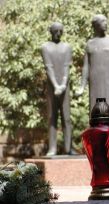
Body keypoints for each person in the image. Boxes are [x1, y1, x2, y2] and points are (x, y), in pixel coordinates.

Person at [76, 15, 109, 126]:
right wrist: (82, 86)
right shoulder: (89, 44)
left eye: (106, 21)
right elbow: (86, 66)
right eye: (102, 21)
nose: (106, 23)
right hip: (95, 83)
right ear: (95, 25)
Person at [41, 22, 72, 156]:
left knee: (66, 118)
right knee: (52, 117)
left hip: (64, 87)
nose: (59, 33)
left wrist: (63, 84)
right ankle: (52, 148)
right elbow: (48, 67)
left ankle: (68, 148)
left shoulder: (67, 47)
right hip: (52, 87)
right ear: (51, 32)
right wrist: (56, 86)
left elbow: (67, 66)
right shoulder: (45, 47)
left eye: (61, 31)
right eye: (56, 31)